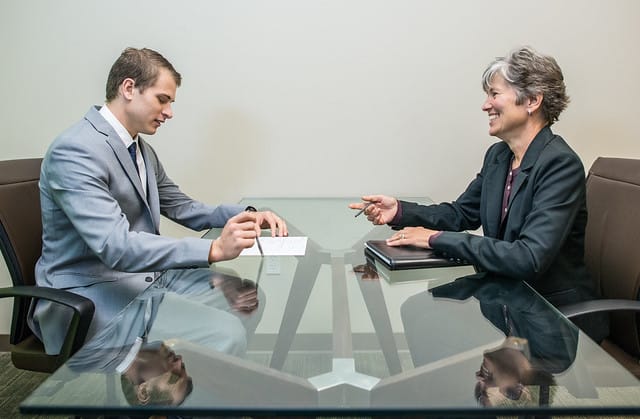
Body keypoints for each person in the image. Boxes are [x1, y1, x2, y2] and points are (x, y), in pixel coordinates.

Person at [30, 47, 287, 355]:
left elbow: (184, 208)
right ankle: (185, 392)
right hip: (91, 296)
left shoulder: (141, 150)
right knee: (226, 331)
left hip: (142, 280)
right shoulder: (75, 151)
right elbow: (117, 246)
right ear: (128, 88)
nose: (169, 112)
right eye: (162, 99)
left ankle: (185, 384)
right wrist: (214, 248)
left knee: (246, 297)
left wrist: (247, 214)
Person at [350, 46, 604, 337]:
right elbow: (462, 214)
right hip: (508, 294)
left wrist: (435, 239)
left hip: (550, 313)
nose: (486, 105)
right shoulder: (499, 156)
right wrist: (401, 211)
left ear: (532, 100)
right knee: (420, 310)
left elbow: (528, 258)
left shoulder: (560, 164)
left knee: (428, 318)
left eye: (494, 94)